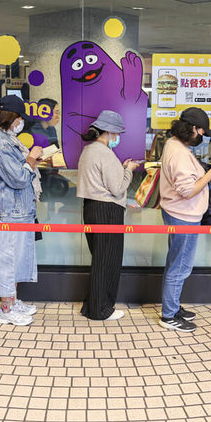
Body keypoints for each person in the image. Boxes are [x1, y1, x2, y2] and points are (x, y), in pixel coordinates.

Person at [159, 107, 211, 332]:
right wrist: (209, 176)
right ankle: (169, 315)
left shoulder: (174, 144)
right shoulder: (178, 152)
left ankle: (173, 306)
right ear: (192, 129)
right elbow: (187, 191)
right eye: (201, 132)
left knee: (176, 262)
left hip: (179, 212)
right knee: (180, 266)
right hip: (183, 215)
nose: (201, 137)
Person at [76, 110, 140, 321]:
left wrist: (120, 168)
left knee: (100, 260)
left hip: (91, 208)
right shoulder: (105, 153)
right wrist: (128, 169)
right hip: (108, 211)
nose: (118, 137)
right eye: (117, 133)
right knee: (109, 261)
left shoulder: (88, 150)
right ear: (110, 132)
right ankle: (102, 309)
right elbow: (117, 188)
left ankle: (92, 306)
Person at [0, 95, 42, 326]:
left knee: (17, 260)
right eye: (19, 117)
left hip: (18, 210)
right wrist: (31, 158)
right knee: (8, 260)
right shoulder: (0, 143)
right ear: (11, 118)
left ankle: (13, 301)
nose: (21, 122)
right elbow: (18, 178)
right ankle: (6, 310)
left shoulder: (6, 139)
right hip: (9, 212)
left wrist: (31, 160)